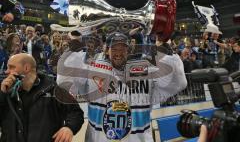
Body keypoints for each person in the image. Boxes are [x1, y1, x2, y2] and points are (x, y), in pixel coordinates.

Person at [57, 32, 187, 142]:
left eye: (122, 48)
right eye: (114, 48)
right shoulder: (92, 67)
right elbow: (64, 80)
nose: (118, 53)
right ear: (106, 50)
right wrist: (75, 46)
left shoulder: (146, 68)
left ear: (129, 50)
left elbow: (178, 82)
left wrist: (163, 48)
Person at [0, 53, 84, 142]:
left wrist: (69, 128)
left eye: (11, 67)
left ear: (26, 68)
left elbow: (76, 112)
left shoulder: (53, 90)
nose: (6, 71)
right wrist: (1, 94)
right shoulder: (6, 91)